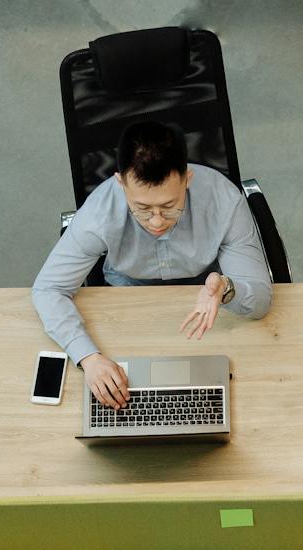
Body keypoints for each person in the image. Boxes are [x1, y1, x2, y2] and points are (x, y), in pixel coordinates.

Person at [33, 119, 273, 409]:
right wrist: (88, 357)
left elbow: (260, 300)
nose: (157, 222)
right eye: (143, 209)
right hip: (128, 300)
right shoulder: (100, 211)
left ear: (188, 179)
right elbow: (48, 289)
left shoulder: (224, 201)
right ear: (121, 183)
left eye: (169, 206)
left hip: (206, 299)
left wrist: (227, 287)